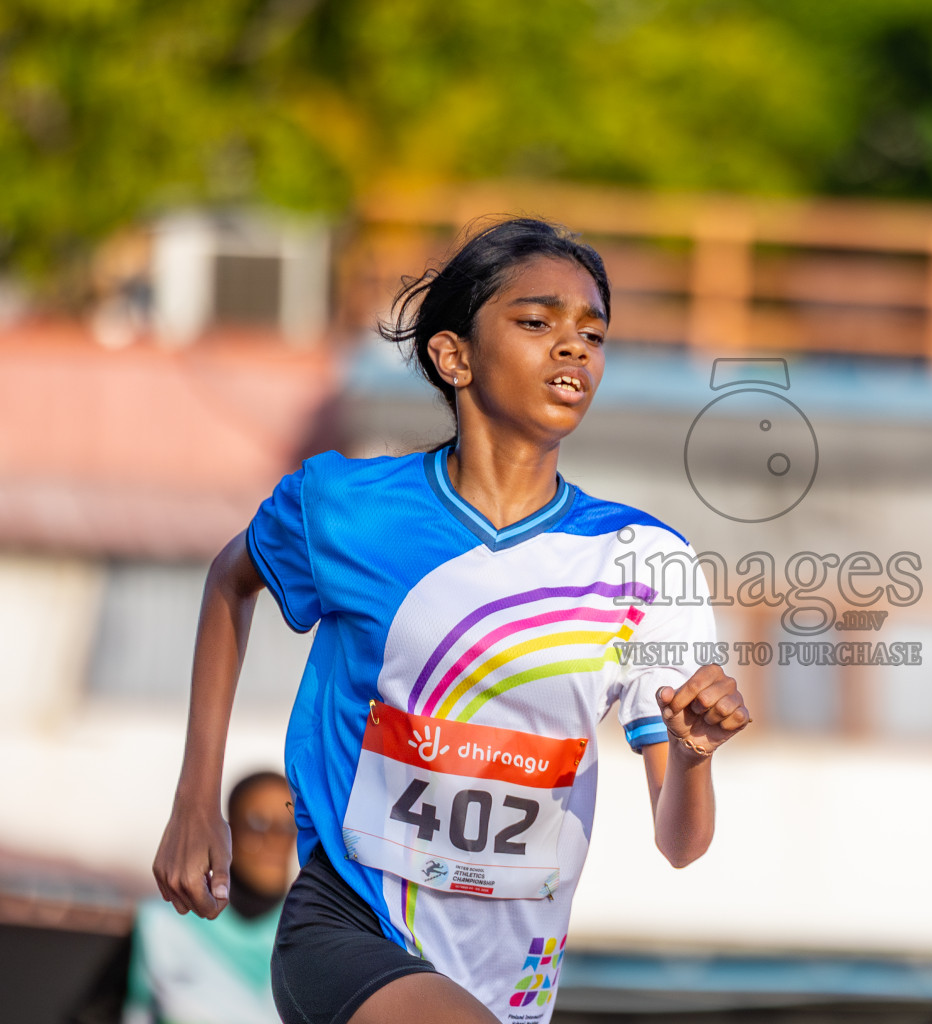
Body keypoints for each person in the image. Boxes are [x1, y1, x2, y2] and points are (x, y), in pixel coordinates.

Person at [152, 217, 751, 1024]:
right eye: (538, 323)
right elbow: (231, 583)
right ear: (454, 355)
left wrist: (692, 754)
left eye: (593, 332)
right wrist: (196, 798)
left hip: (510, 975)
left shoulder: (647, 561)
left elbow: (682, 843)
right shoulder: (346, 508)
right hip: (350, 924)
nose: (573, 348)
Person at [117, 771, 296, 1024]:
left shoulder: (313, 936)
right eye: (258, 823)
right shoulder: (162, 924)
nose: (275, 838)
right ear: (228, 831)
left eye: (289, 826)